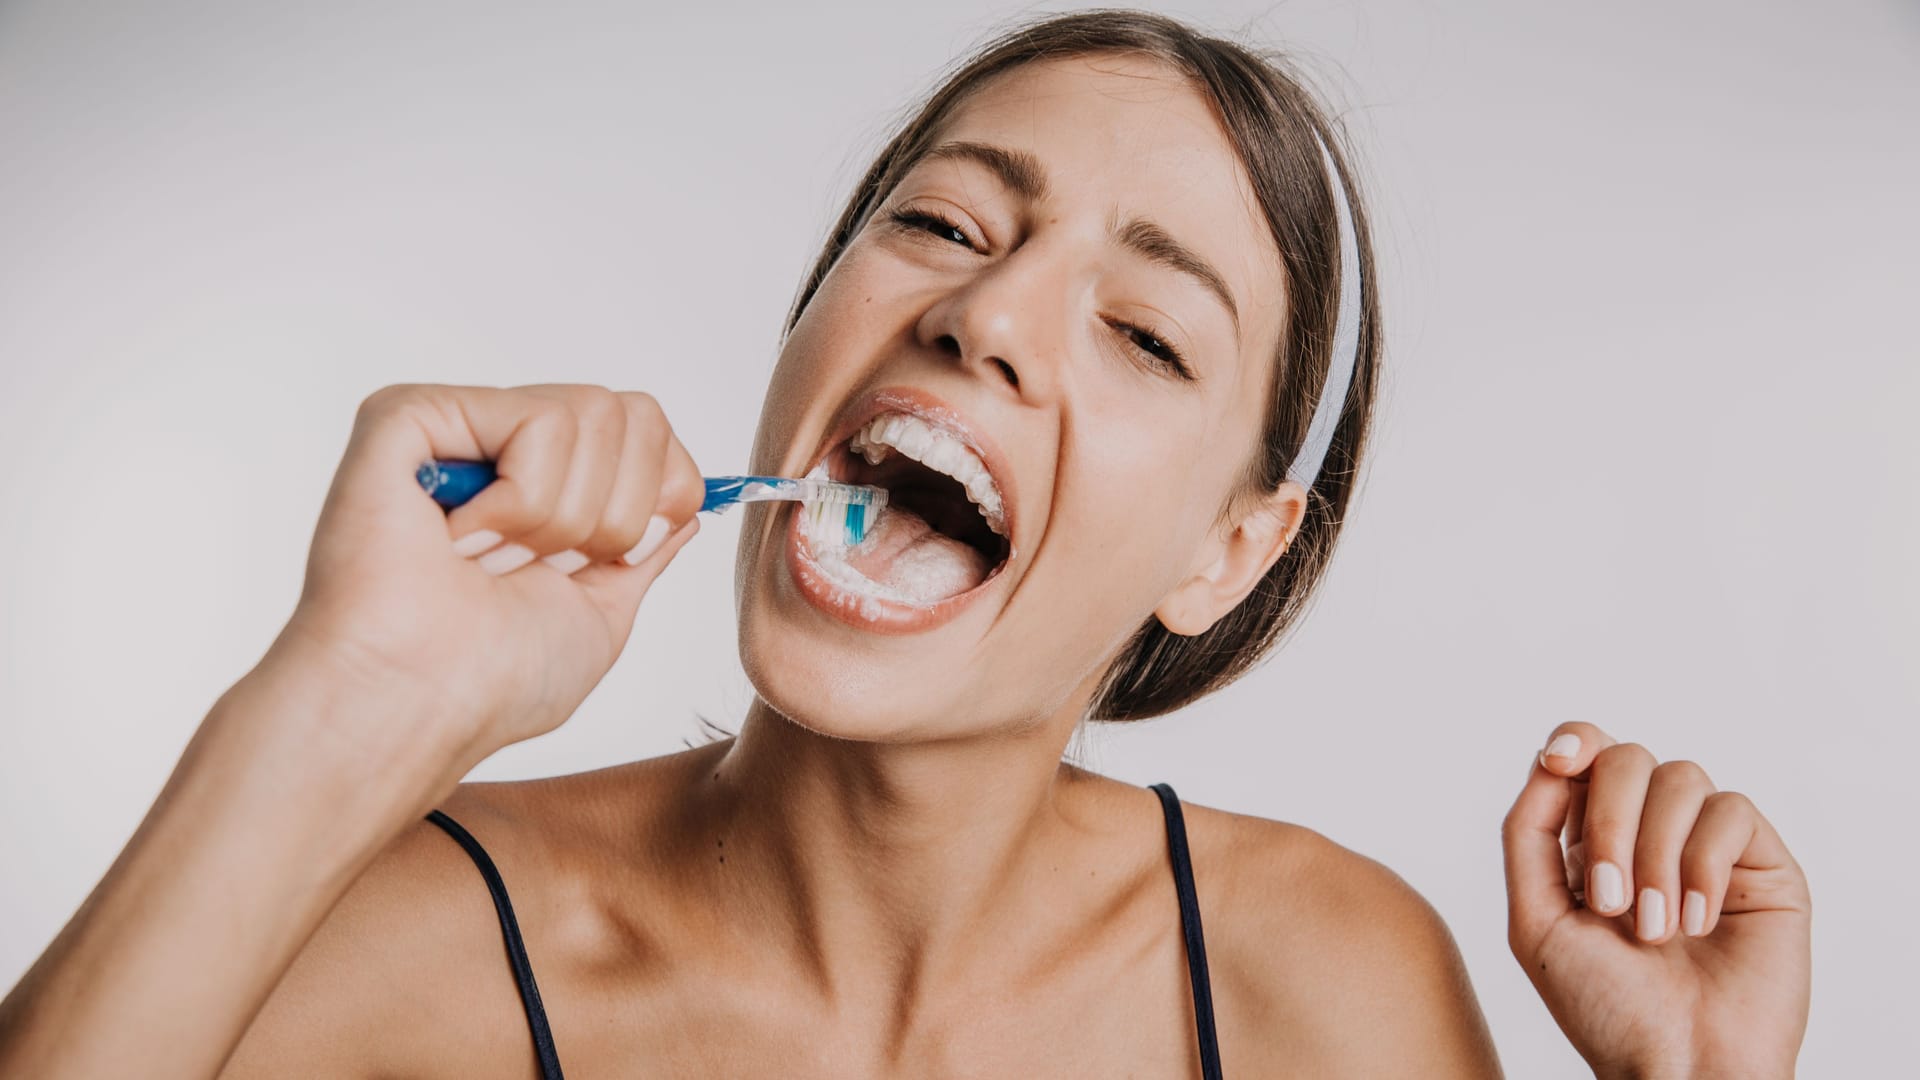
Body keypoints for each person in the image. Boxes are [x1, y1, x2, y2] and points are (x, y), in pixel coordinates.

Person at [0, 10, 1810, 1078]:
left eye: (1147, 331)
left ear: (1227, 556)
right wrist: (341, 706)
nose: (995, 315)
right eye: (944, 224)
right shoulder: (406, 946)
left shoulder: (1320, 986)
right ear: (814, 338)